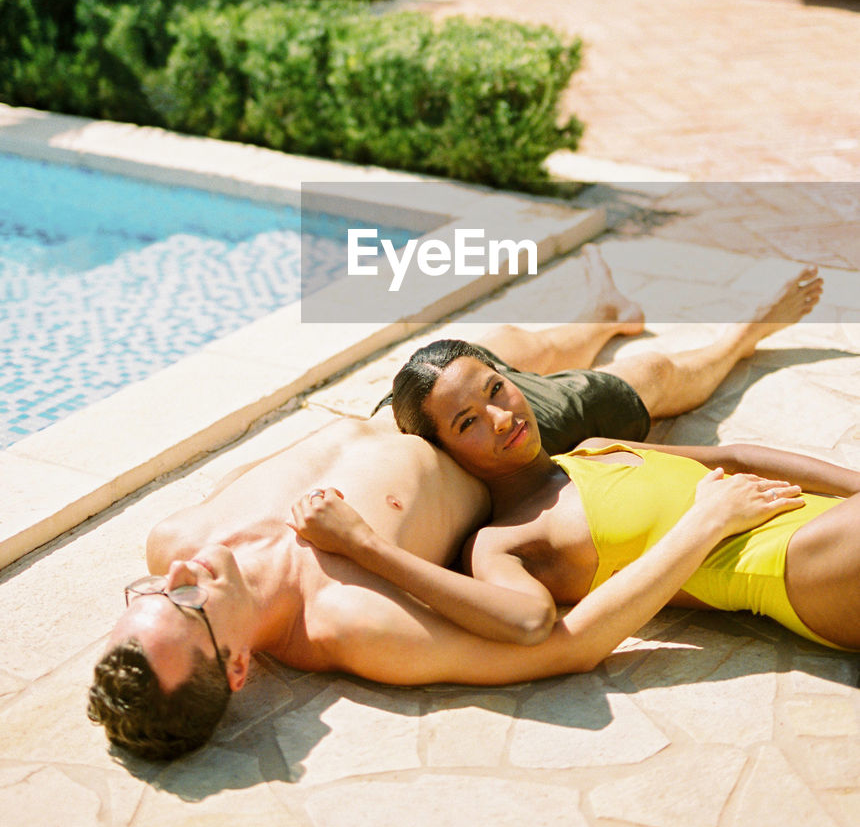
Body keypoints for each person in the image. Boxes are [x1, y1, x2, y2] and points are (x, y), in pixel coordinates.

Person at [87, 252, 833, 760]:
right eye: (186, 601)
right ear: (240, 665)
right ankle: (744, 335)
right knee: (650, 379)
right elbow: (563, 644)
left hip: (401, 413)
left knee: (505, 343)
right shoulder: (351, 623)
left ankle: (600, 313)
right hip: (491, 455)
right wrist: (701, 527)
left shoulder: (174, 541)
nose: (178, 571)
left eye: (151, 592)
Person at [305, 335, 858, 653]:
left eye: (497, 388)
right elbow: (527, 622)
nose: (500, 418)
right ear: (443, 449)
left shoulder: (592, 448)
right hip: (803, 567)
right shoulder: (503, 540)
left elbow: (735, 457)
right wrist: (366, 546)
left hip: (836, 519)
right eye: (468, 421)